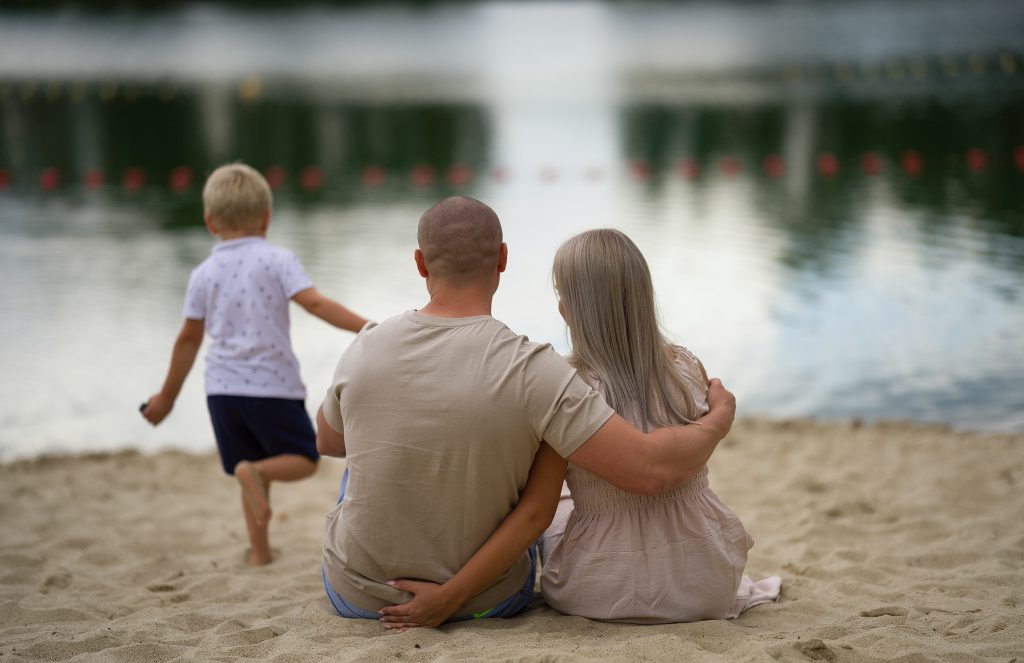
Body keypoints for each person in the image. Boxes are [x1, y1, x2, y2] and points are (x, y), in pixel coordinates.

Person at [316, 197, 736, 627]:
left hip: (358, 598)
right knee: (518, 463)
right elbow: (631, 474)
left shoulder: (364, 345)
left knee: (357, 456)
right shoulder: (536, 369)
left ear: (420, 263)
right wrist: (719, 420)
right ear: (502, 258)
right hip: (485, 600)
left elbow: (328, 443)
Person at [537, 228, 781, 623]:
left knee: (558, 500)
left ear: (572, 308)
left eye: (561, 293)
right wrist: (719, 419)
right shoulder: (686, 369)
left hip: (601, 590)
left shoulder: (564, 386)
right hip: (706, 583)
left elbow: (535, 510)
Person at [142, 162, 368, 566]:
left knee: (249, 470)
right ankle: (258, 483)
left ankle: (259, 552)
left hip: (222, 392)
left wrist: (167, 398)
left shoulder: (202, 273)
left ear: (210, 221)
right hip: (272, 386)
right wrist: (367, 328)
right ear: (266, 217)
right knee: (303, 460)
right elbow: (316, 304)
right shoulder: (278, 260)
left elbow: (188, 339)